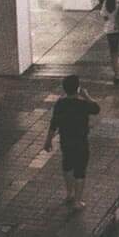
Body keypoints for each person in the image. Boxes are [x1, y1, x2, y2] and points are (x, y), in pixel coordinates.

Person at [45, 74, 100, 209]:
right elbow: (96, 109)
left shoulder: (60, 104)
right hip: (81, 142)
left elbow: (54, 123)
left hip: (66, 141)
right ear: (78, 89)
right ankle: (78, 201)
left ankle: (69, 193)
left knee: (67, 166)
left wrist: (48, 140)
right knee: (80, 170)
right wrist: (86, 96)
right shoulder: (83, 104)